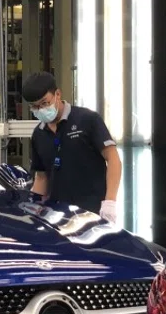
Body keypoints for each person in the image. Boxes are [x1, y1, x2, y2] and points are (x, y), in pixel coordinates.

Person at [22, 71, 122, 224]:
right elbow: (42, 178)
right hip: (56, 215)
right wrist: (33, 208)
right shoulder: (38, 134)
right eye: (34, 107)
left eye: (44, 103)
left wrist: (110, 202)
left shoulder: (87, 120)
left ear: (57, 94)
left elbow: (113, 158)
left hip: (92, 211)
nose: (41, 109)